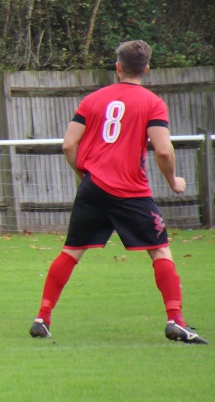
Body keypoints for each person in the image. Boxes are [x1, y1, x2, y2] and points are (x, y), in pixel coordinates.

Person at [29, 40, 208, 344]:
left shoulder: (93, 100)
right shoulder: (152, 102)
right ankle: (175, 320)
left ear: (118, 67)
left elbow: (68, 145)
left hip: (94, 188)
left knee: (71, 251)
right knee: (160, 250)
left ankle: (42, 318)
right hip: (131, 190)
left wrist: (84, 175)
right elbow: (164, 151)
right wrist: (173, 181)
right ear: (147, 69)